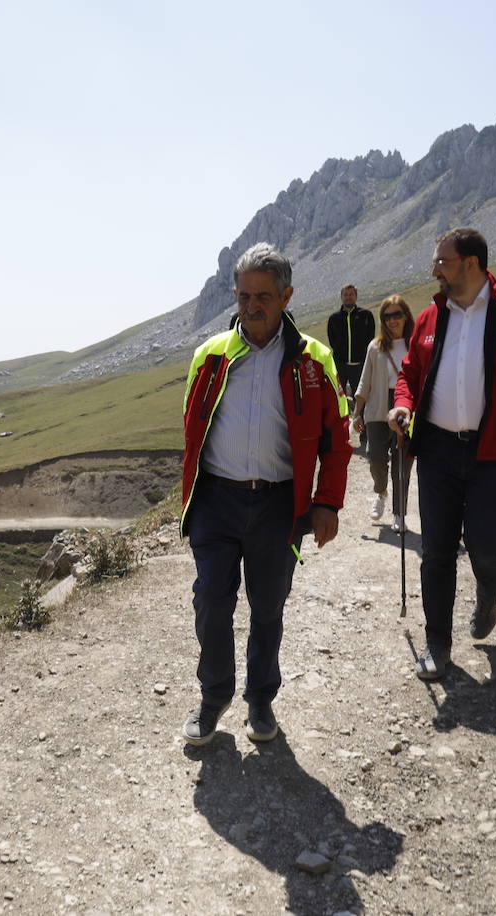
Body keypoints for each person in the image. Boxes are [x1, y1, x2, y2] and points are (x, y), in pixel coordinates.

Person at [180, 242, 351, 744]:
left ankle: (260, 702)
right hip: (217, 500)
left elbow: (336, 441)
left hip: (279, 506)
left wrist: (327, 503)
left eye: (263, 296)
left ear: (286, 296)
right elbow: (191, 433)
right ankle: (213, 699)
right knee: (211, 599)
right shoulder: (209, 355)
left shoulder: (314, 360)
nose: (251, 305)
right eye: (243, 295)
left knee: (268, 606)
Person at [387, 227, 496, 680]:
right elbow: (410, 371)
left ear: (471, 263)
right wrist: (403, 404)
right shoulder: (429, 317)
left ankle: (489, 590)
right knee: (437, 550)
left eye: (442, 261)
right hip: (439, 450)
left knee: (485, 543)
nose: (435, 269)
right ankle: (437, 643)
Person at [354, 294, 415, 532]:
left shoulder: (415, 345)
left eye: (397, 314)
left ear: (406, 316)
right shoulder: (375, 347)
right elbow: (364, 382)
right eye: (387, 316)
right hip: (379, 409)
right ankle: (380, 491)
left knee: (403, 466)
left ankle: (399, 514)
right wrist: (356, 413)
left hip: (407, 408)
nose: (392, 320)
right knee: (375, 457)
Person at [327, 284, 376, 403]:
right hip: (340, 365)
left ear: (356, 296)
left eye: (351, 294)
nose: (348, 297)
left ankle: (362, 421)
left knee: (362, 398)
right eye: (345, 294)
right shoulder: (334, 318)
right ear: (341, 297)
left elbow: (370, 337)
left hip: (360, 365)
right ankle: (342, 421)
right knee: (338, 398)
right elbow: (332, 340)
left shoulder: (366, 315)